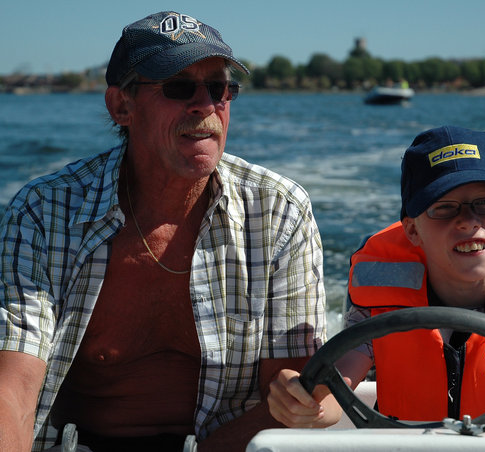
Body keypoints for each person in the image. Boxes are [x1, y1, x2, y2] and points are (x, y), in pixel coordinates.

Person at [0, 11, 325, 452]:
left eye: (219, 88)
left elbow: (289, 400)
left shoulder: (280, 212)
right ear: (122, 106)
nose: (205, 105)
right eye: (178, 87)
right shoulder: (44, 211)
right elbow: (13, 391)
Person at [268, 125, 485, 430]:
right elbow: (333, 398)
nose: (468, 222)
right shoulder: (378, 293)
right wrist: (303, 405)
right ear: (412, 230)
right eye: (444, 208)